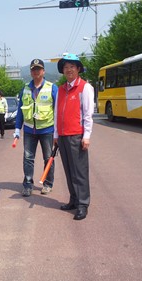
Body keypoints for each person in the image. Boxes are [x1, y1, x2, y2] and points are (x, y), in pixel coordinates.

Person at [54, 53, 94, 221]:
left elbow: (87, 114)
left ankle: (83, 204)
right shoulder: (61, 89)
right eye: (65, 67)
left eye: (72, 66)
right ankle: (74, 199)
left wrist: (86, 136)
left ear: (78, 69)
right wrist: (55, 134)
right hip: (62, 136)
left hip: (76, 135)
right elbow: (56, 113)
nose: (68, 69)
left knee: (80, 172)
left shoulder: (85, 87)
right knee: (69, 171)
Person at [14, 59, 58, 197]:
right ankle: (27, 184)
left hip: (47, 129)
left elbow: (58, 111)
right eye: (33, 69)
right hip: (29, 130)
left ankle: (48, 184)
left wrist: (57, 131)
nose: (36, 72)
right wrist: (17, 129)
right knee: (28, 158)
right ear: (31, 72)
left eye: (38, 69)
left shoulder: (52, 88)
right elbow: (20, 110)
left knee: (48, 158)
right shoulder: (25, 89)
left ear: (43, 71)